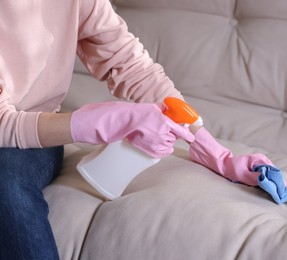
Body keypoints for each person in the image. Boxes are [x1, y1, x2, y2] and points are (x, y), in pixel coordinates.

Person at [0, 0, 195, 259]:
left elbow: (132, 65)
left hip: (29, 134)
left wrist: (211, 148)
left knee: (7, 182)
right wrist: (92, 122)